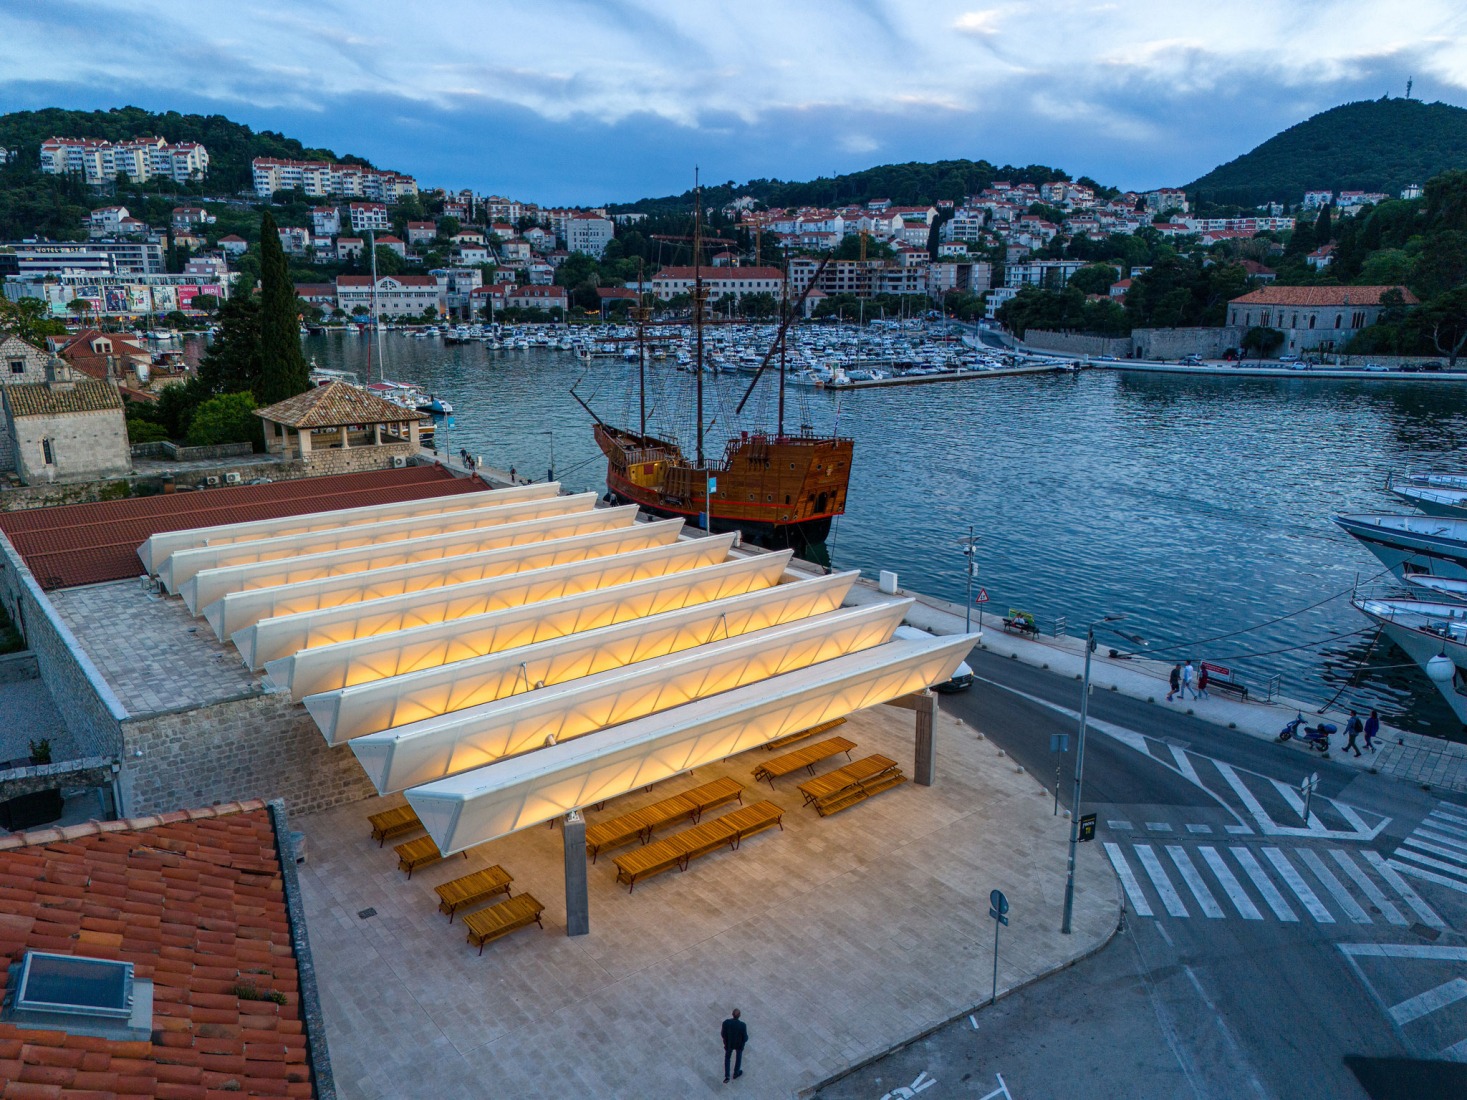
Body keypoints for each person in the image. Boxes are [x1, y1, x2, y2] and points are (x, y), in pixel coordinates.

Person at [721, 1008, 748, 1083]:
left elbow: (723, 1034)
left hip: (729, 1044)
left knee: (727, 1058)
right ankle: (736, 1073)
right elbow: (745, 1037)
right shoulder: (742, 1025)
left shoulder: (726, 1023)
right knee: (738, 1057)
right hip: (739, 1045)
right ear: (739, 1015)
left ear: (732, 1014)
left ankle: (727, 1076)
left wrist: (725, 1041)